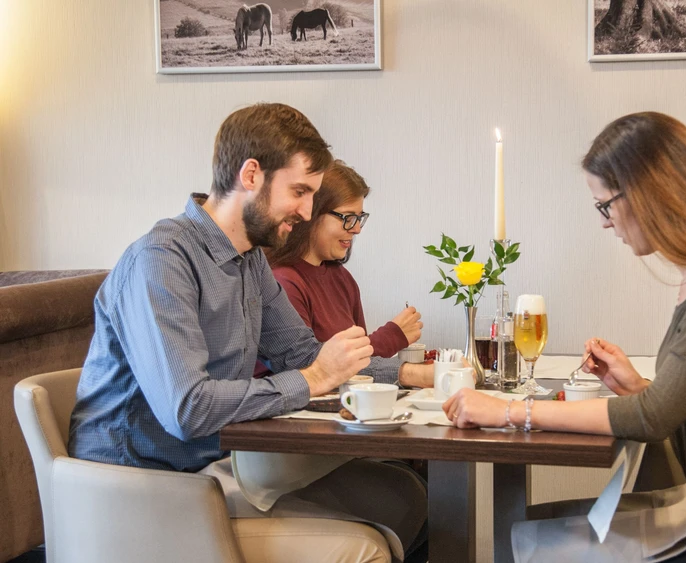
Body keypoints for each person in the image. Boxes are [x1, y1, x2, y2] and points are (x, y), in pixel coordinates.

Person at [443, 112, 686, 562]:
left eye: (605, 205)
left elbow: (654, 419)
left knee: (523, 544)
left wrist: (508, 411)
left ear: (647, 192)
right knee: (524, 535)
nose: (605, 222)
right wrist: (639, 388)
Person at [68, 103, 431, 560]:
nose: (305, 210)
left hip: (206, 469)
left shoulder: (249, 260)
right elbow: (189, 408)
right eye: (299, 191)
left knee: (402, 495)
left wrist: (410, 376)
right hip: (139, 492)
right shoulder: (161, 260)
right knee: (380, 525)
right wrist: (312, 380)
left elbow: (300, 351)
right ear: (251, 174)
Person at [261, 160, 421, 362]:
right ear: (311, 214)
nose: (356, 229)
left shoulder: (342, 278)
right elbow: (310, 366)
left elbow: (362, 369)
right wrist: (390, 338)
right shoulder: (283, 283)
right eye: (347, 217)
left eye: (359, 218)